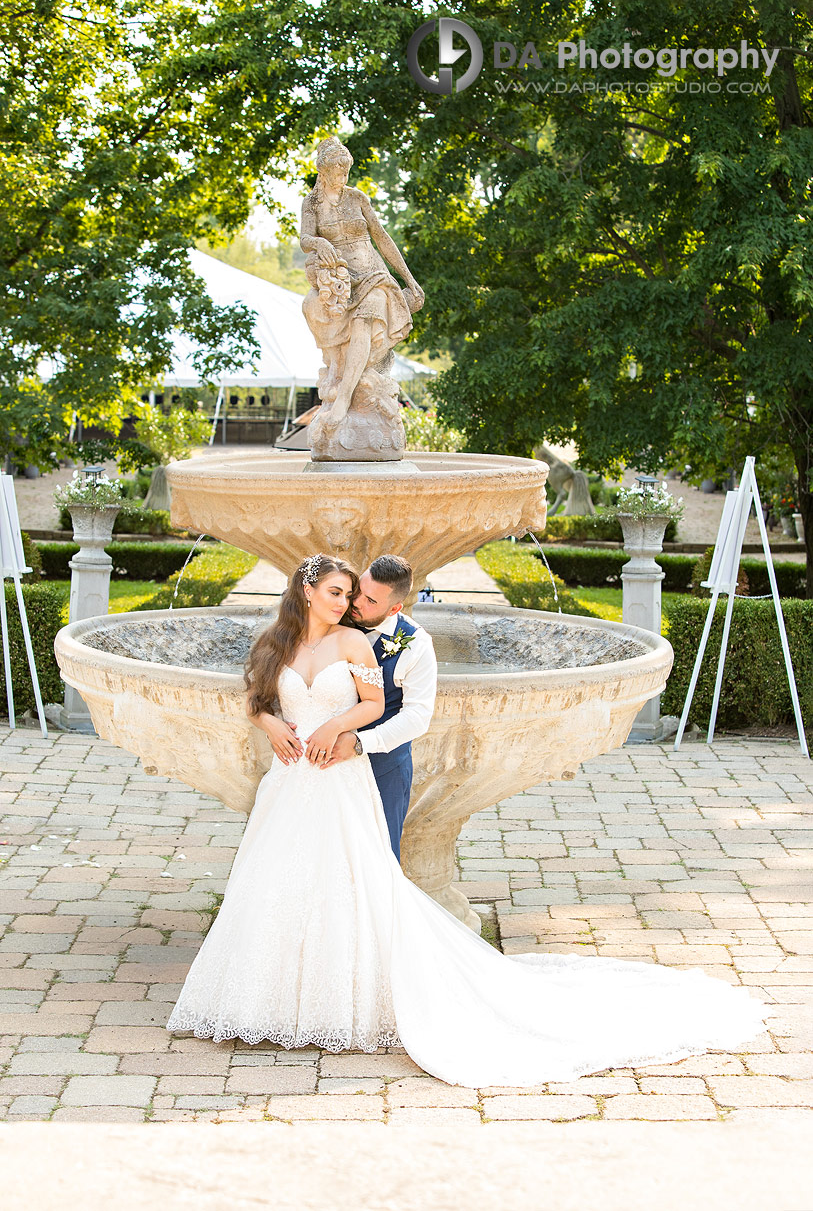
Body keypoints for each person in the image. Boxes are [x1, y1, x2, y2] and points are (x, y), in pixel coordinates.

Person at [166, 553, 769, 1087]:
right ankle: (269, 998)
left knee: (355, 878)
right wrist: (273, 724)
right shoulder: (276, 642)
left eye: (354, 596)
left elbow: (378, 705)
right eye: (337, 593)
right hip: (290, 782)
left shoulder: (360, 645)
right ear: (305, 590)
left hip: (341, 776)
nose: (348, 604)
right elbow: (257, 698)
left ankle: (347, 999)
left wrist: (338, 728)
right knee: (276, 879)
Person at [300, 136, 425, 433]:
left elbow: (382, 237)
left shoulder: (357, 198)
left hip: (372, 274)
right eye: (338, 172)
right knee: (311, 304)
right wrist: (319, 243)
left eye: (346, 172)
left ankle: (343, 400)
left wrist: (409, 278)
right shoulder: (312, 204)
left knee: (365, 319)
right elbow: (305, 240)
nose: (343, 178)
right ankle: (338, 379)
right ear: (324, 171)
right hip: (341, 277)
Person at [321, 554, 437, 862]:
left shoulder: (416, 645)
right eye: (358, 590)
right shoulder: (331, 618)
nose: (355, 602)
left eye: (370, 600)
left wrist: (360, 743)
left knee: (377, 858)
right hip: (323, 763)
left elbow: (418, 716)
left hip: (382, 769)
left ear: (395, 608)